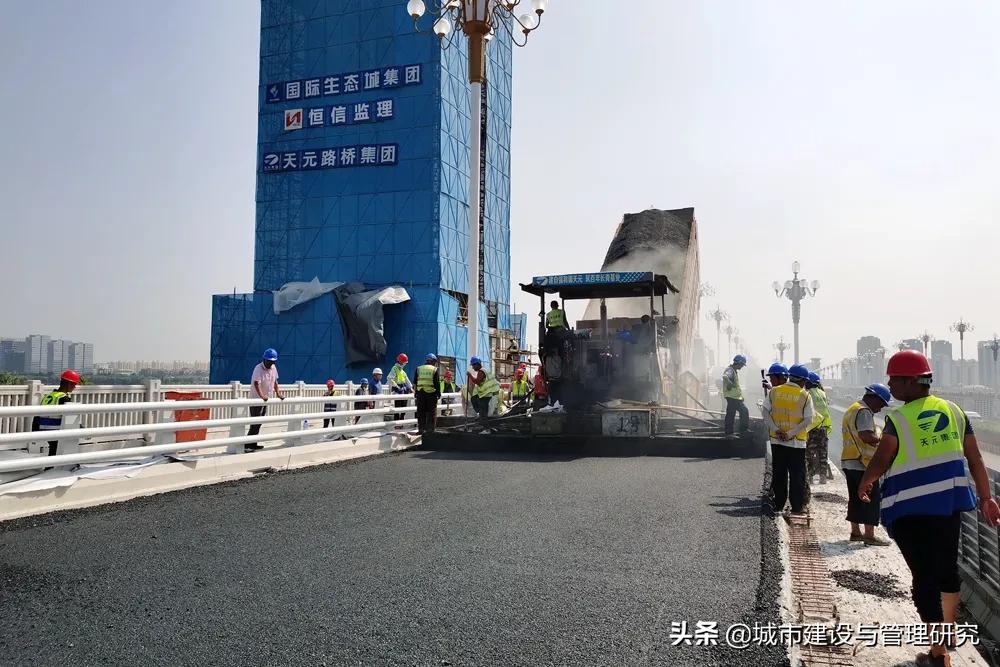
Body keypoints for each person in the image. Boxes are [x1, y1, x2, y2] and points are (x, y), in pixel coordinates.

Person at [859, 350, 1000, 667]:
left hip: (909, 510)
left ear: (911, 381)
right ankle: (948, 631)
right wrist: (987, 497)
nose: (890, 386)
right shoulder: (955, 410)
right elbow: (975, 458)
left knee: (924, 578)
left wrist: (866, 481)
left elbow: (883, 457)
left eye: (894, 380)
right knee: (947, 570)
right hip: (948, 505)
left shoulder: (899, 419)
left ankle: (939, 654)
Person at [841, 383, 892, 546]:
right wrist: (883, 441)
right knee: (871, 498)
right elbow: (866, 436)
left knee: (855, 498)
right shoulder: (864, 411)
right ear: (874, 398)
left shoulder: (853, 408)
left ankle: (856, 533)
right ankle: (869, 536)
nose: (880, 408)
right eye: (881, 404)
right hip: (862, 462)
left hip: (850, 459)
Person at [760, 363, 814, 516]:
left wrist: (776, 430)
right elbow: (808, 419)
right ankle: (797, 507)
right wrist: (790, 433)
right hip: (796, 443)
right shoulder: (805, 395)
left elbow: (765, 412)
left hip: (777, 441)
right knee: (797, 476)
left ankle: (778, 505)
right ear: (802, 380)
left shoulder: (774, 391)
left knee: (779, 473)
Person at [31, 370, 81, 457]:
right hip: (55, 430)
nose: (74, 387)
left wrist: (34, 432)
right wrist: (82, 428)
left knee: (54, 449)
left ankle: (51, 463)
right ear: (68, 384)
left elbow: (37, 415)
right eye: (74, 384)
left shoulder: (48, 396)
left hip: (43, 429)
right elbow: (70, 418)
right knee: (61, 448)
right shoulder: (63, 398)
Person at [246, 348, 284, 452]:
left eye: (273, 361)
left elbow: (275, 382)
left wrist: (278, 394)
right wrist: (262, 396)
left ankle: (253, 443)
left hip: (265, 400)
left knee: (260, 422)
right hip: (256, 399)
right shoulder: (258, 368)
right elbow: (256, 383)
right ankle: (247, 444)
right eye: (269, 361)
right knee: (255, 423)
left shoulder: (273, 368)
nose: (271, 363)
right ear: (264, 359)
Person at [805, 371, 834, 483]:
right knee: (823, 453)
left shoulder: (807, 393)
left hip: (812, 428)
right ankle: (823, 477)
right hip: (823, 427)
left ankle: (810, 477)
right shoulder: (822, 393)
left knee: (809, 454)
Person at [722, 354, 749, 438]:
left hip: (735, 397)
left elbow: (736, 387)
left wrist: (741, 397)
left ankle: (741, 430)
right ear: (739, 363)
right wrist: (729, 383)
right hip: (732, 397)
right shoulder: (730, 370)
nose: (742, 366)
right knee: (733, 413)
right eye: (742, 365)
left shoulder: (733, 371)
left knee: (741, 411)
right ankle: (730, 433)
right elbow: (725, 376)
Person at [414, 354, 441, 434]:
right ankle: (430, 431)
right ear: (433, 361)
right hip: (431, 394)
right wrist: (438, 394)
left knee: (421, 412)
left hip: (420, 393)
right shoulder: (434, 369)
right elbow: (437, 383)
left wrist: (415, 393)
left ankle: (421, 429)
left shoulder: (419, 369)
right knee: (431, 412)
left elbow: (415, 382)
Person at [387, 353, 412, 423]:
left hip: (403, 391)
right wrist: (396, 386)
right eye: (404, 363)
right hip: (398, 391)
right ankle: (397, 423)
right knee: (398, 408)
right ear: (401, 362)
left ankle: (401, 422)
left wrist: (411, 388)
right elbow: (389, 378)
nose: (405, 364)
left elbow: (407, 380)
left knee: (404, 408)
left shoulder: (402, 371)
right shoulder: (394, 368)